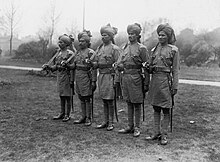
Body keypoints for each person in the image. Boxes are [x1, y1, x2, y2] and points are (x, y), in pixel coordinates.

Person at [145, 24, 179, 145]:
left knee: (165, 108)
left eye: (163, 35)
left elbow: (175, 70)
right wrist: (148, 67)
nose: (160, 37)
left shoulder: (174, 50)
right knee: (156, 107)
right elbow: (149, 66)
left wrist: (175, 86)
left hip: (165, 81)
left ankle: (164, 134)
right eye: (159, 34)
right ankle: (156, 132)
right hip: (155, 80)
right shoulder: (154, 49)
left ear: (168, 36)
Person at [117, 23, 149, 137]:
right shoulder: (124, 47)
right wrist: (119, 66)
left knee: (136, 104)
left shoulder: (142, 48)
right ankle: (129, 126)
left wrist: (146, 83)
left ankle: (137, 127)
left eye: (133, 34)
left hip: (136, 78)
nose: (130, 36)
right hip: (125, 77)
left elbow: (146, 67)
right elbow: (120, 62)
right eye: (129, 34)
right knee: (128, 102)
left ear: (137, 35)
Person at [94, 24, 121, 131]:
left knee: (110, 100)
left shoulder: (115, 49)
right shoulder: (99, 48)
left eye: (105, 35)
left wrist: (117, 80)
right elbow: (96, 60)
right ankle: (105, 121)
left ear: (110, 36)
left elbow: (119, 65)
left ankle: (111, 122)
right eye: (102, 35)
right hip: (101, 75)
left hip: (111, 76)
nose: (103, 37)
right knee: (104, 99)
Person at [42, 34, 75, 122]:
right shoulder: (58, 53)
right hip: (60, 76)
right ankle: (62, 112)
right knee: (61, 95)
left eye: (62, 42)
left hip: (67, 76)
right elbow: (55, 66)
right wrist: (48, 67)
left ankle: (67, 114)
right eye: (59, 42)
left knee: (67, 96)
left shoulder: (70, 54)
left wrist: (72, 79)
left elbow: (73, 67)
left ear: (66, 44)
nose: (59, 43)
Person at [73, 30, 97, 126]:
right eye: (80, 41)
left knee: (87, 98)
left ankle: (88, 117)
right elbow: (74, 65)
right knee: (81, 97)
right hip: (78, 77)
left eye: (83, 41)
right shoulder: (77, 53)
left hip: (87, 77)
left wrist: (94, 81)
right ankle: (83, 116)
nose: (80, 43)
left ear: (87, 43)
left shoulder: (91, 53)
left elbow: (94, 68)